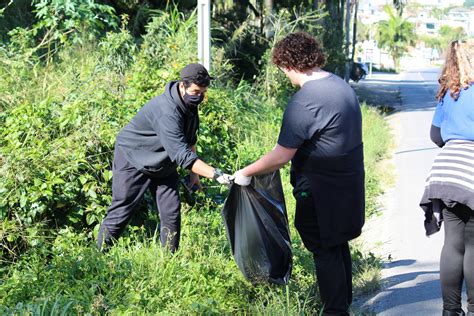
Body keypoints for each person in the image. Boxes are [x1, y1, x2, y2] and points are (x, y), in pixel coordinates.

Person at [233, 32, 365, 316]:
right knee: (337, 243)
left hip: (321, 189)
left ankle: (335, 311)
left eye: (282, 69)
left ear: (287, 64)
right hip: (348, 183)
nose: (284, 75)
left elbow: (281, 155)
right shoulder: (340, 86)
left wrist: (246, 172)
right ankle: (343, 303)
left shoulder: (305, 101)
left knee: (324, 248)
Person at [98, 63, 233, 252]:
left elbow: (190, 139)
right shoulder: (166, 111)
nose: (200, 96)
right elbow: (182, 155)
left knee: (171, 212)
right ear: (182, 86)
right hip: (134, 157)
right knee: (123, 208)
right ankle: (98, 258)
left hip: (163, 160)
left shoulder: (189, 103)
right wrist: (216, 174)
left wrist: (195, 175)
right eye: (196, 91)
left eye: (203, 92)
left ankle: (169, 259)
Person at [420, 39, 474, 316]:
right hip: (471, 169)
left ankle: (450, 311)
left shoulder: (449, 91)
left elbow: (435, 135)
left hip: (446, 169)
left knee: (453, 243)